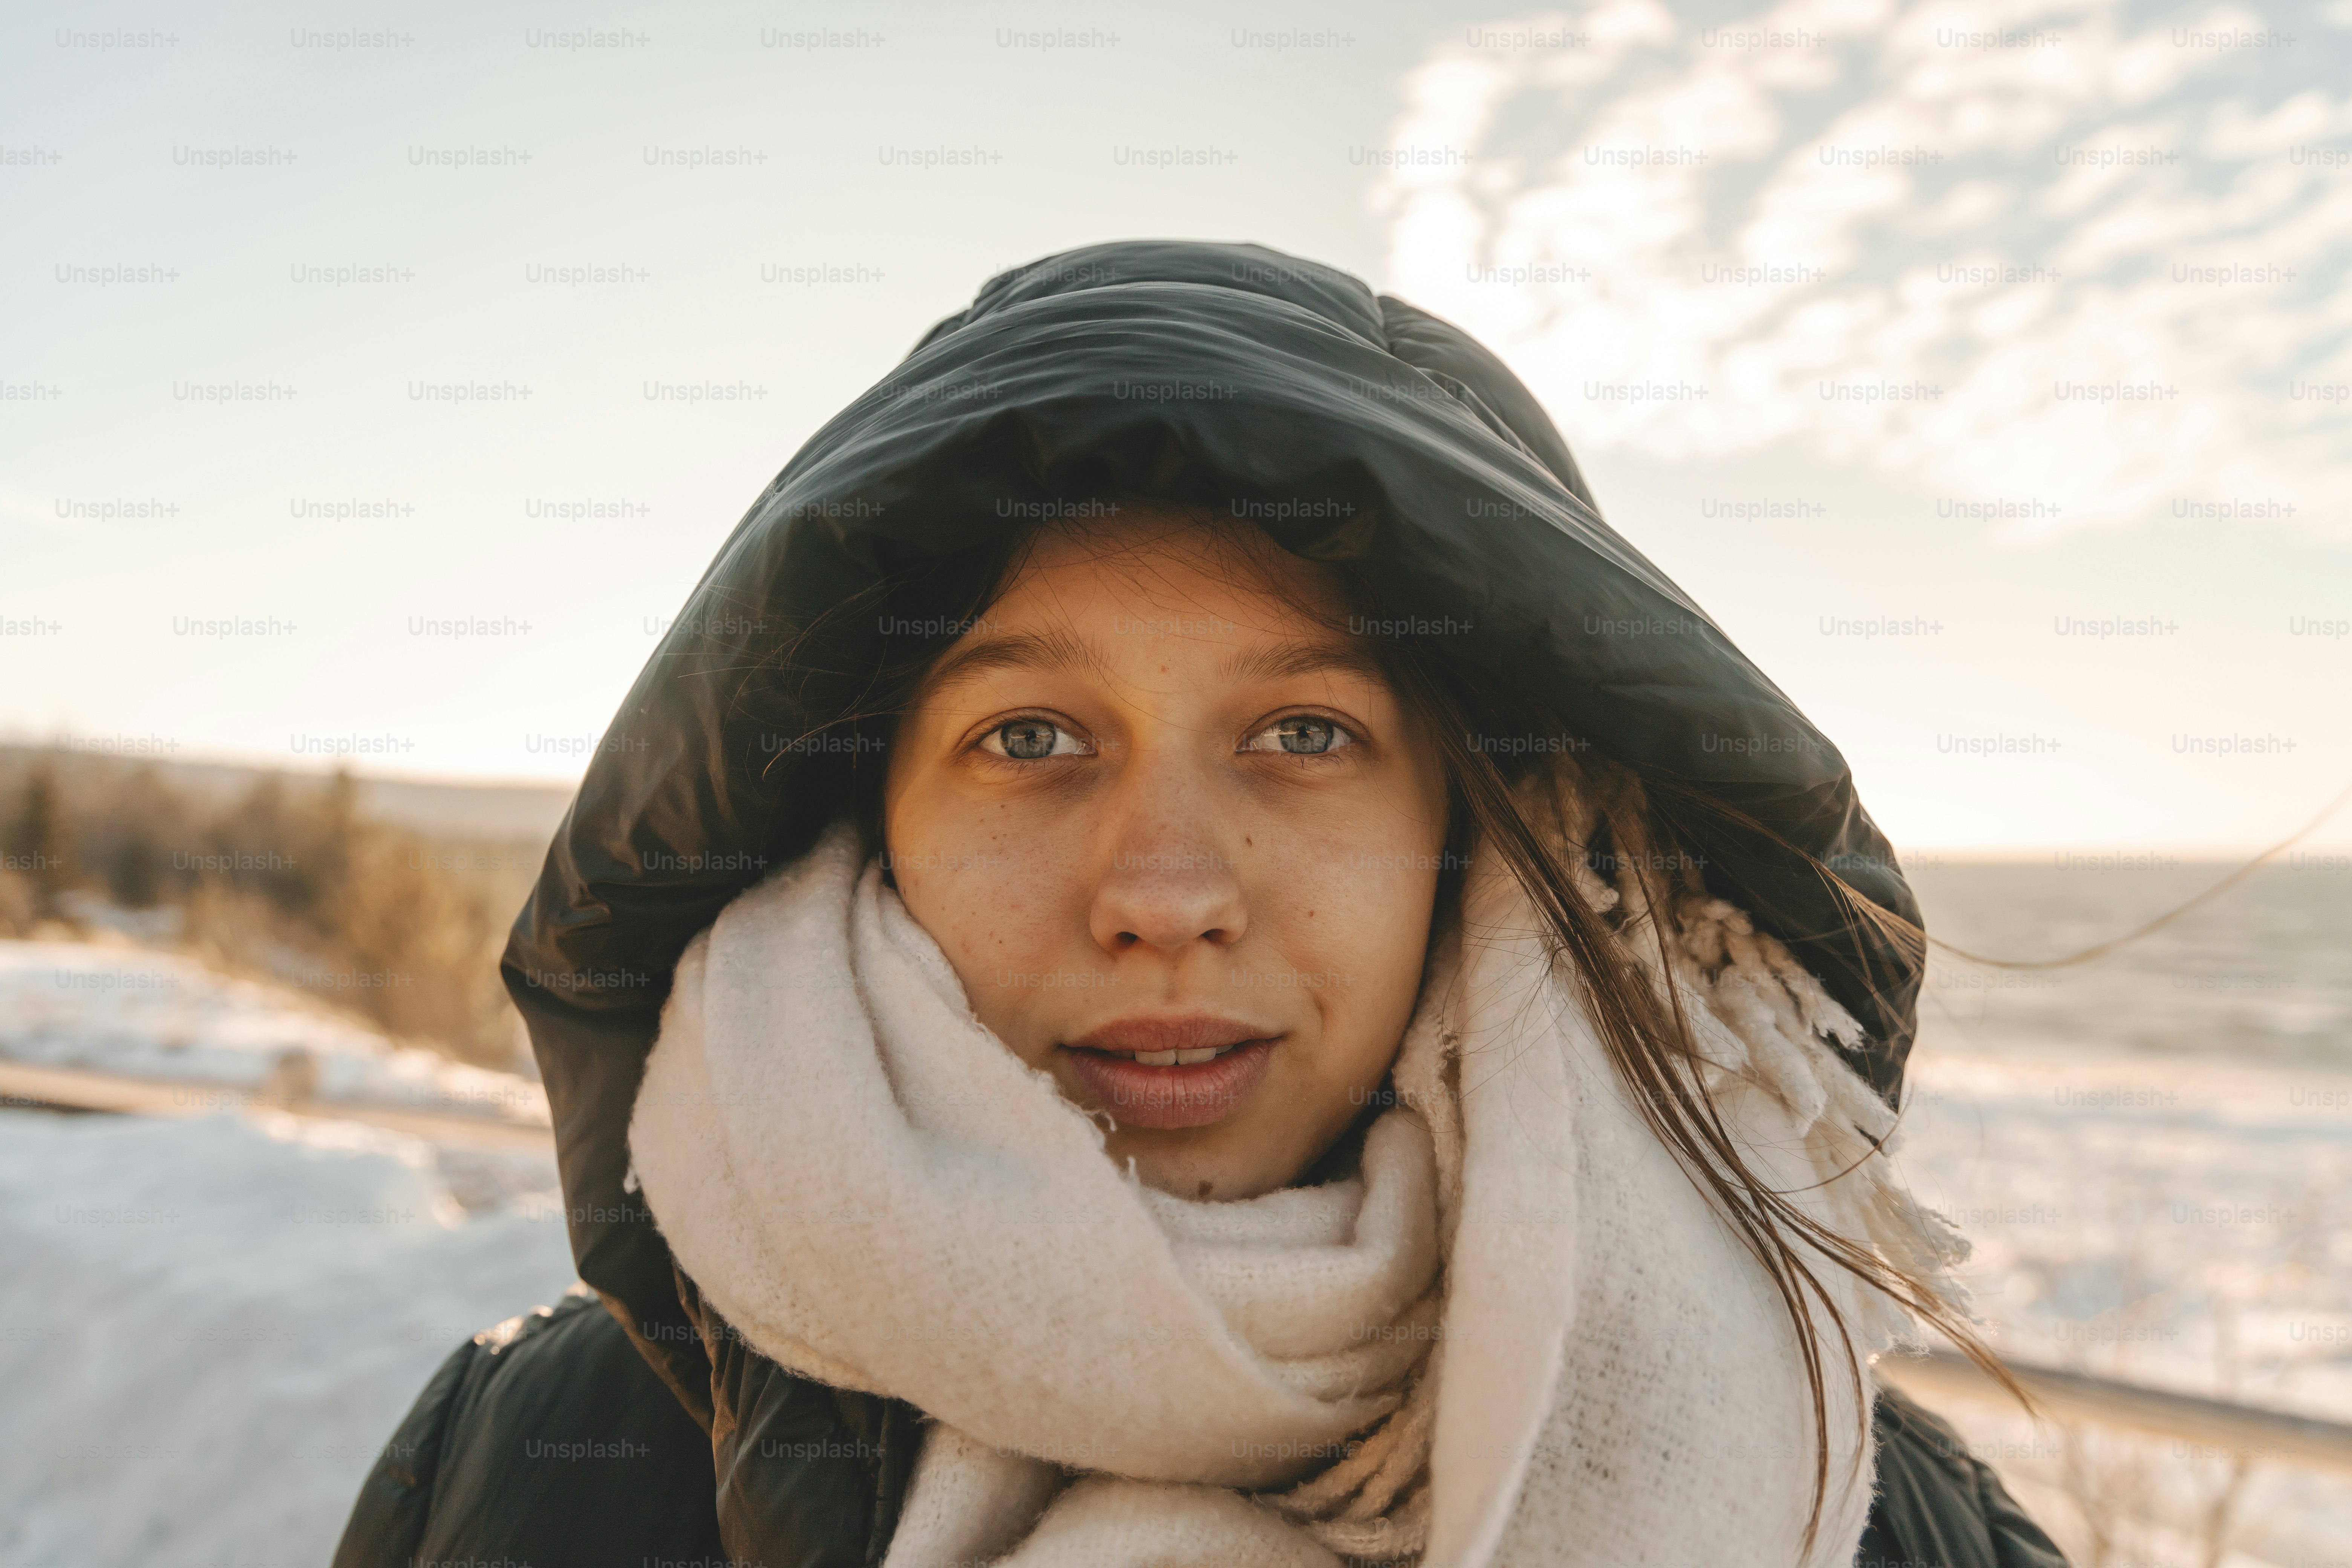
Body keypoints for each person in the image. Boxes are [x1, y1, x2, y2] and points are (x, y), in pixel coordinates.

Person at [334, 241, 2068, 1568]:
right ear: (859, 821)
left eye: (1304, 731)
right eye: (1030, 735)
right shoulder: (528, 1467)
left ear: (1478, 830)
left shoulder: (1857, 1520)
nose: (1166, 893)